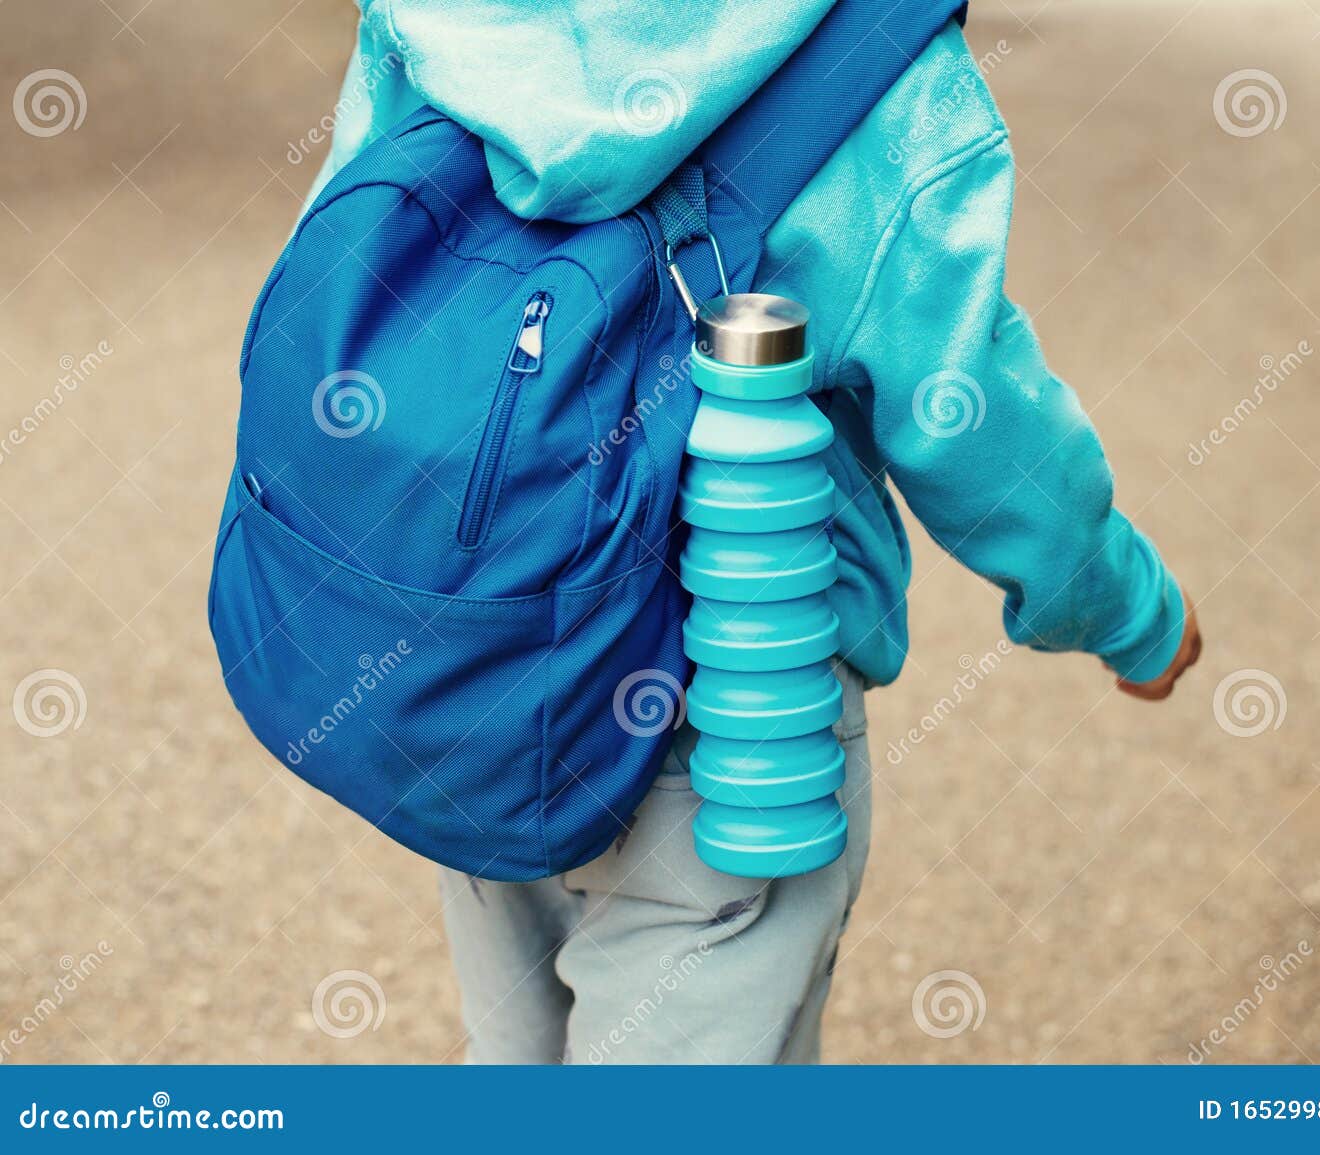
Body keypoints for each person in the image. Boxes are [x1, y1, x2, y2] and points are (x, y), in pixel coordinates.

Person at [309, 1, 1201, 1063]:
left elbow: (342, 270)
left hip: (474, 659)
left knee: (514, 1060)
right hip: (736, 701)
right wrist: (1128, 611)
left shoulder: (445, 19)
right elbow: (972, 416)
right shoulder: (883, 64)